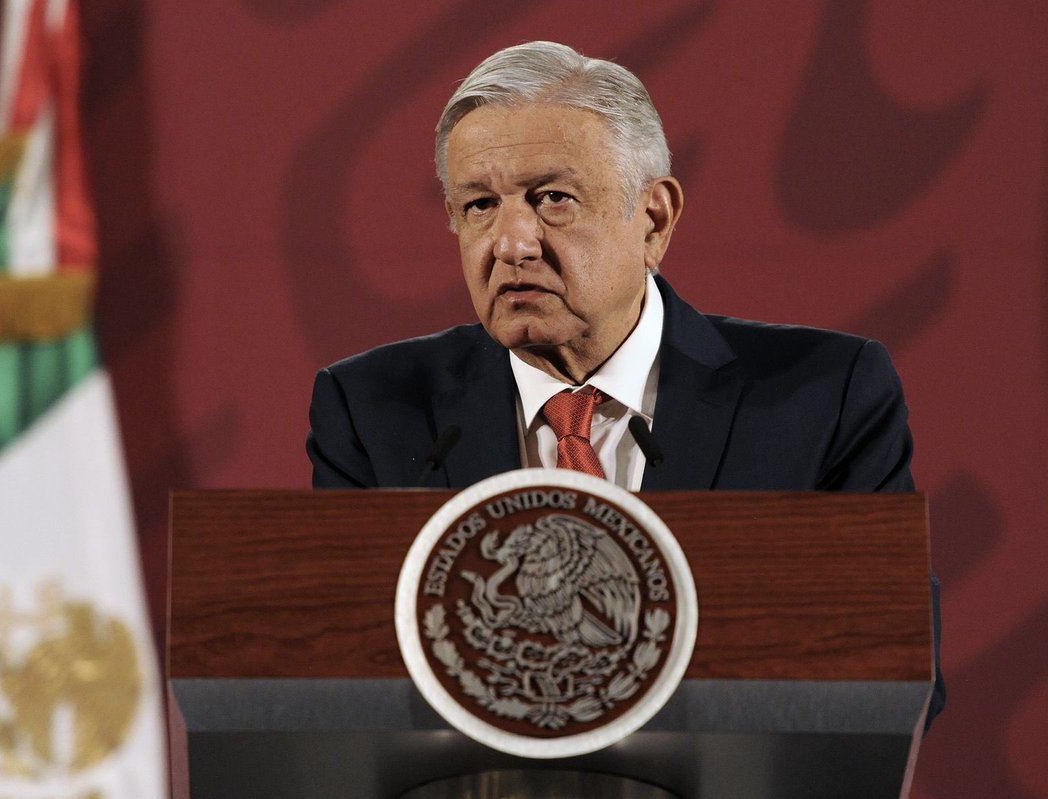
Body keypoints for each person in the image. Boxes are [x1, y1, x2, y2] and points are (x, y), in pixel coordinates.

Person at [305, 41, 943, 727]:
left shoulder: (823, 399)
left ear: (654, 220)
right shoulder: (374, 411)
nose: (512, 244)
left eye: (553, 199)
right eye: (480, 205)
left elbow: (894, 676)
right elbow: (342, 688)